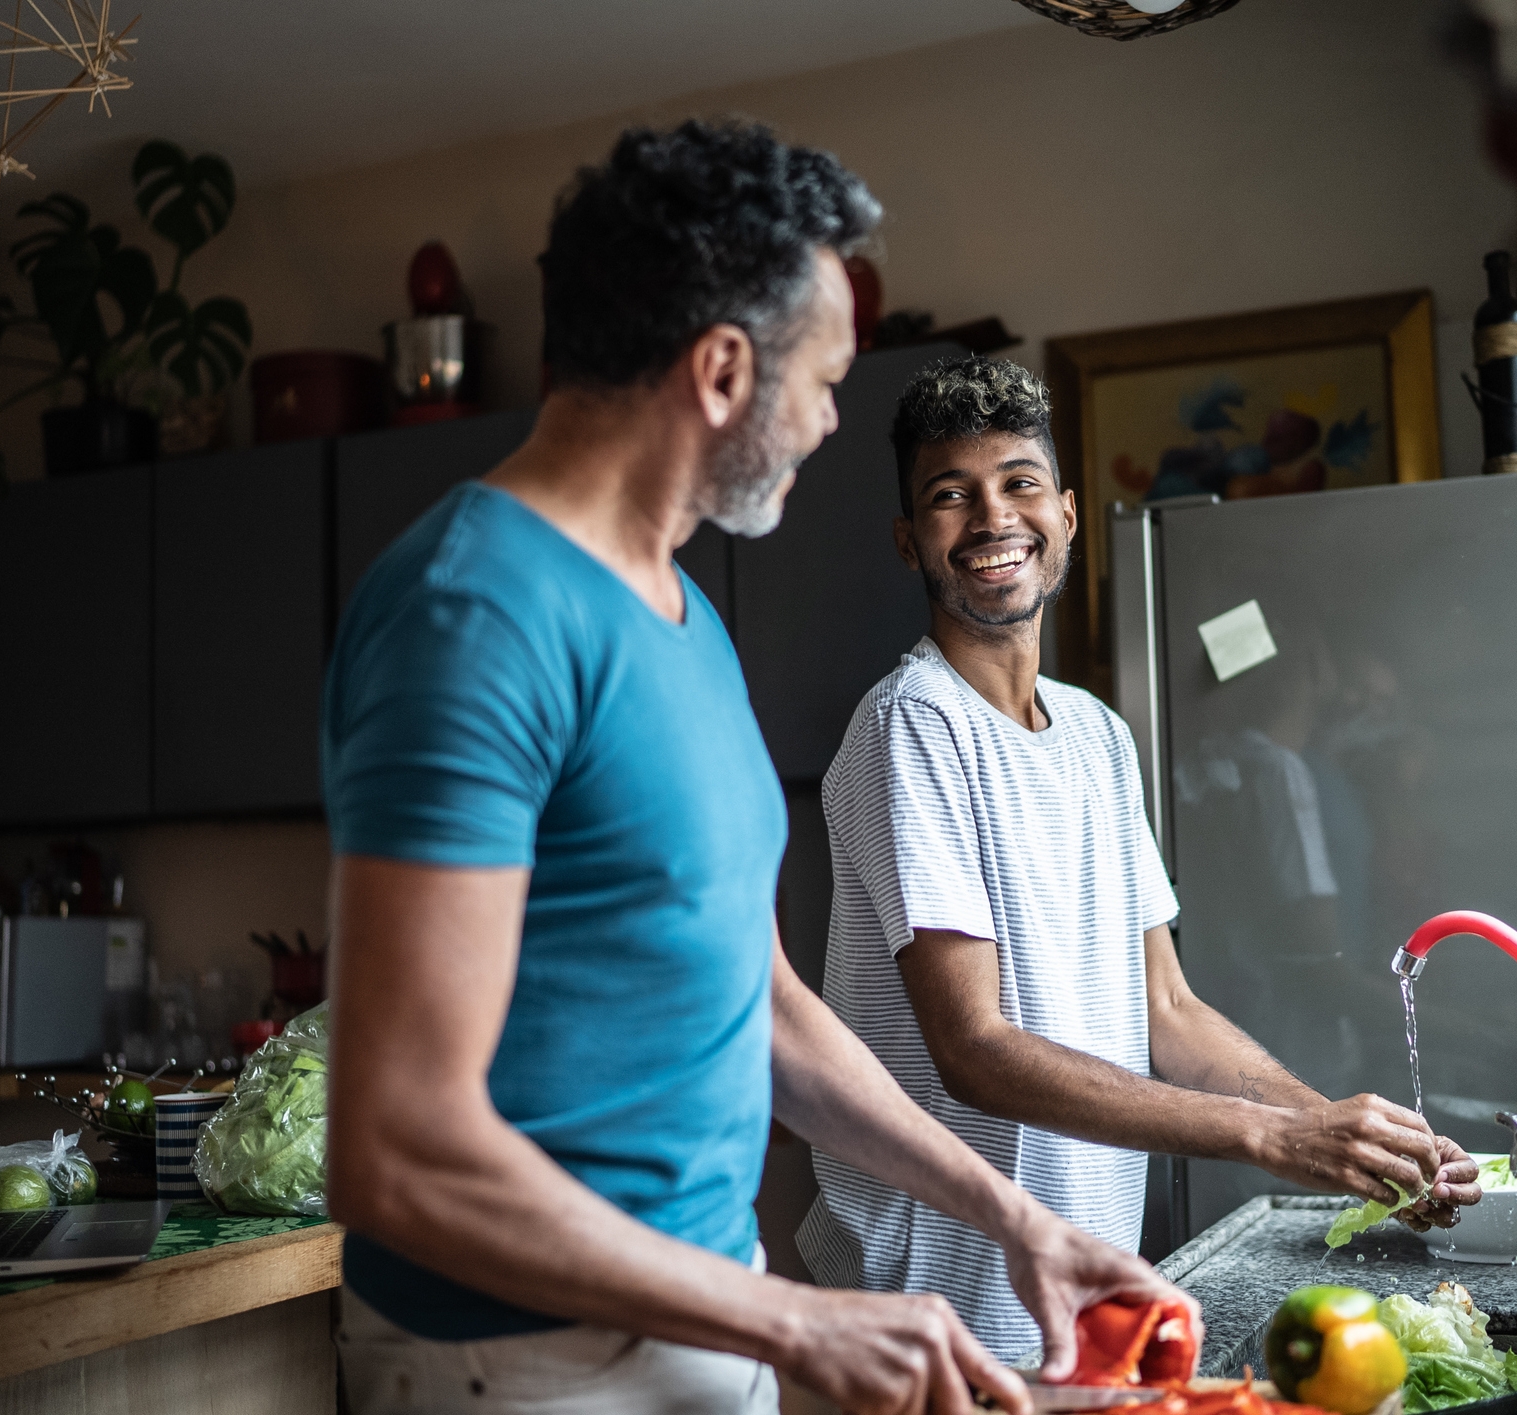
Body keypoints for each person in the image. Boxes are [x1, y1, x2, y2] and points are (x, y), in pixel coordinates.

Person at [321, 123, 1177, 1415]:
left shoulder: (682, 614)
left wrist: (1014, 1219)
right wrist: (792, 1316)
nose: (831, 422)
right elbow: (396, 1153)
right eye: (824, 379)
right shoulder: (474, 613)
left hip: (704, 1315)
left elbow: (763, 1006)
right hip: (521, 1362)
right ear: (722, 370)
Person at [797, 355, 1481, 1358]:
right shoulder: (911, 728)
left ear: (1068, 514)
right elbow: (972, 1047)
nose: (993, 517)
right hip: (943, 1299)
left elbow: (1165, 1006)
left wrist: (1334, 1130)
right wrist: (1267, 1135)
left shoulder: (1094, 734)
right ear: (911, 541)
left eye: (1019, 482)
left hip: (1082, 1279)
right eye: (951, 495)